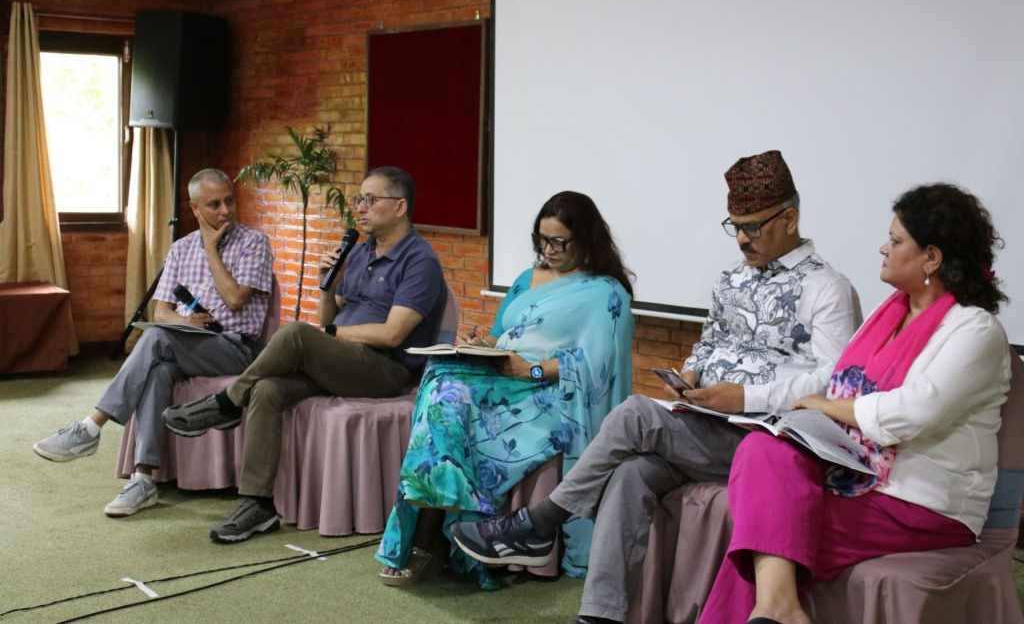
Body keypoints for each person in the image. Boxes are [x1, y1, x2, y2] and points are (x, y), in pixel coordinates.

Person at [452, 151, 862, 623]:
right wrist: (691, 375)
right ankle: (600, 617)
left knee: (633, 414)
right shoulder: (732, 277)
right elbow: (710, 343)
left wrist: (744, 397)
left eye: (753, 227)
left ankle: (539, 523)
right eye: (735, 226)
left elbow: (834, 380)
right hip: (713, 424)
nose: (743, 238)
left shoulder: (827, 287)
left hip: (769, 442)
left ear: (790, 219)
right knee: (632, 473)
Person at [698, 183, 1011, 624]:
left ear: (932, 258)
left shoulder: (976, 331)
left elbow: (912, 412)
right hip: (857, 476)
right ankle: (780, 610)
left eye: (897, 241)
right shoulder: (889, 316)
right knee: (761, 448)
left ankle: (777, 609)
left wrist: (825, 408)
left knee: (766, 545)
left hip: (925, 503)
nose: (883, 248)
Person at [162, 166, 447, 543]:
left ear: (399, 207)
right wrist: (326, 287)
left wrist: (327, 334)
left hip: (386, 370)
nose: (359, 208)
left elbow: (393, 334)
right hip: (343, 359)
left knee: (296, 333)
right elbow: (331, 315)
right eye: (359, 199)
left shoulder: (420, 261)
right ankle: (258, 504)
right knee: (267, 391)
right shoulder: (361, 251)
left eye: (369, 200)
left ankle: (227, 403)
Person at [376, 191, 636, 590]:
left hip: (547, 390)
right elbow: (501, 335)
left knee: (451, 399)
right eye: (542, 240)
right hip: (501, 374)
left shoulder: (606, 293)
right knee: (442, 375)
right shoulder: (526, 278)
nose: (548, 250)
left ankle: (428, 535)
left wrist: (530, 369)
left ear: (586, 238)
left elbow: (596, 366)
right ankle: (436, 524)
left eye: (558, 242)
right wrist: (479, 346)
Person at [33, 168, 274, 517]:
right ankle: (144, 477)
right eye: (214, 204)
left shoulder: (254, 242)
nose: (225, 211)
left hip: (235, 349)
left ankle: (92, 426)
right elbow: (162, 312)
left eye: (229, 200)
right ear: (194, 209)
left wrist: (210, 249)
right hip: (189, 341)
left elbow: (235, 299)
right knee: (159, 369)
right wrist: (185, 321)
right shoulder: (180, 249)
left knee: (157, 339)